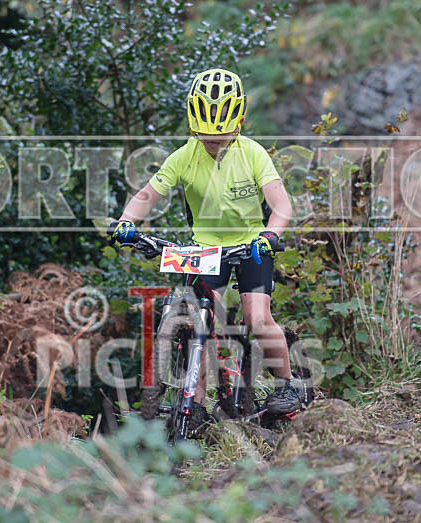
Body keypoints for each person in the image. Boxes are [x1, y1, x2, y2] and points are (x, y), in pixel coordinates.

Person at [109, 68, 306, 422]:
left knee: (257, 319)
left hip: (250, 246)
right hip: (205, 249)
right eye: (206, 139)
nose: (213, 145)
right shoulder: (185, 156)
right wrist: (126, 222)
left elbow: (282, 206)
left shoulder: (253, 154)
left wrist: (270, 235)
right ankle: (195, 405)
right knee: (198, 319)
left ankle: (288, 385)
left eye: (221, 139)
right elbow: (147, 195)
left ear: (240, 122)